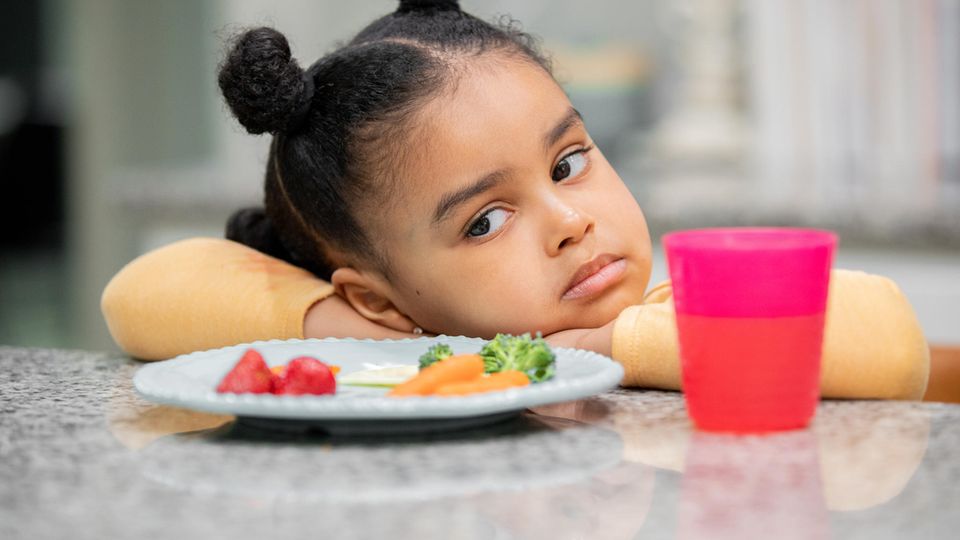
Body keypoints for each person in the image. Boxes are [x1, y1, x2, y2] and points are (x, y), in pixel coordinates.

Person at [101, 0, 929, 400]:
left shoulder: (672, 317)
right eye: (486, 221)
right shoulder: (418, 351)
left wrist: (590, 346)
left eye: (568, 163)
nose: (571, 223)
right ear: (379, 299)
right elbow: (137, 294)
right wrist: (403, 338)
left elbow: (890, 342)